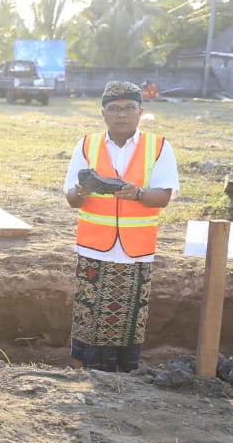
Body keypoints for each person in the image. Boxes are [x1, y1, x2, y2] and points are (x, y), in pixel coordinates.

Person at [64, 81, 179, 372]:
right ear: (103, 113)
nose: (121, 114)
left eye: (129, 108)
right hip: (94, 248)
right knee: (88, 317)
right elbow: (72, 198)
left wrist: (138, 194)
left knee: (130, 320)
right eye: (114, 109)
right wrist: (81, 192)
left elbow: (163, 196)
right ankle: (83, 372)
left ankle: (126, 377)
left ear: (141, 111)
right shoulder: (87, 145)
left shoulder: (159, 146)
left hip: (135, 251)